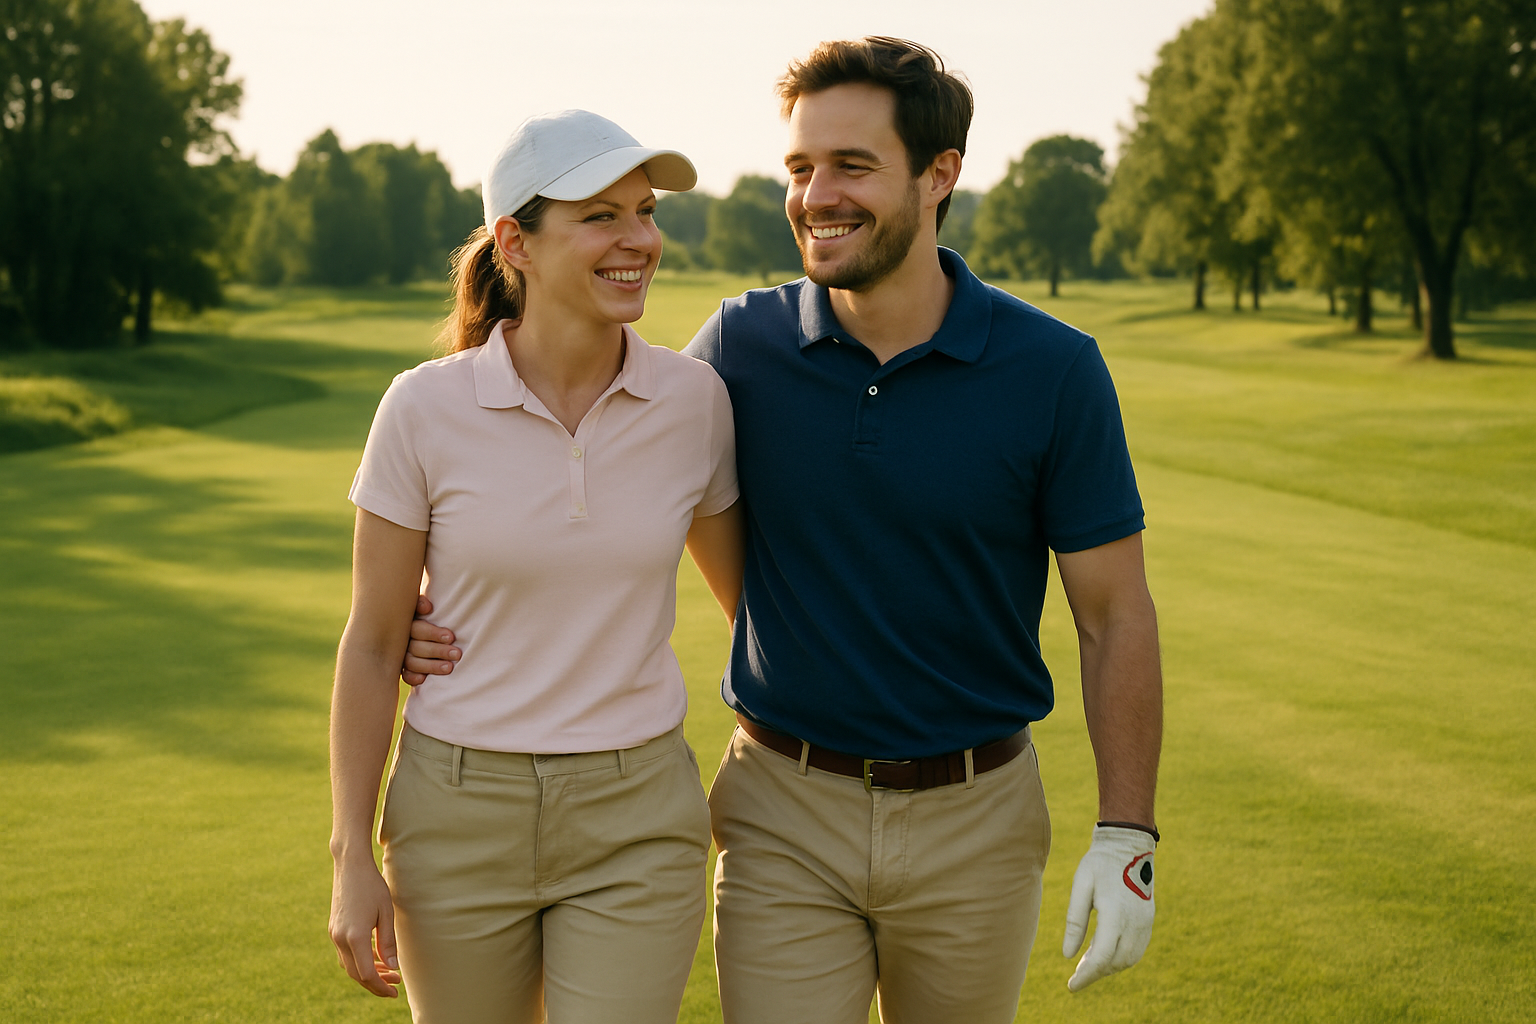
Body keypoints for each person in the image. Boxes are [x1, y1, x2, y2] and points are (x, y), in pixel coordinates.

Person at [405, 37, 1163, 1024]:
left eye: (852, 165)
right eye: (800, 167)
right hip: (783, 812)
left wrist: (1127, 833)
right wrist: (438, 607)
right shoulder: (739, 346)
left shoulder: (1054, 370)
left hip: (979, 816)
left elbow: (1114, 615)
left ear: (940, 174)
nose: (815, 196)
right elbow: (590, 457)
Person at [328, 109, 745, 1024]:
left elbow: (750, 603)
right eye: (601, 216)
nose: (639, 240)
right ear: (516, 241)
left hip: (638, 815)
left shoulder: (695, 402)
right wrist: (351, 853)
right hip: (455, 815)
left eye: (645, 212)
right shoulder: (421, 409)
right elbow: (372, 644)